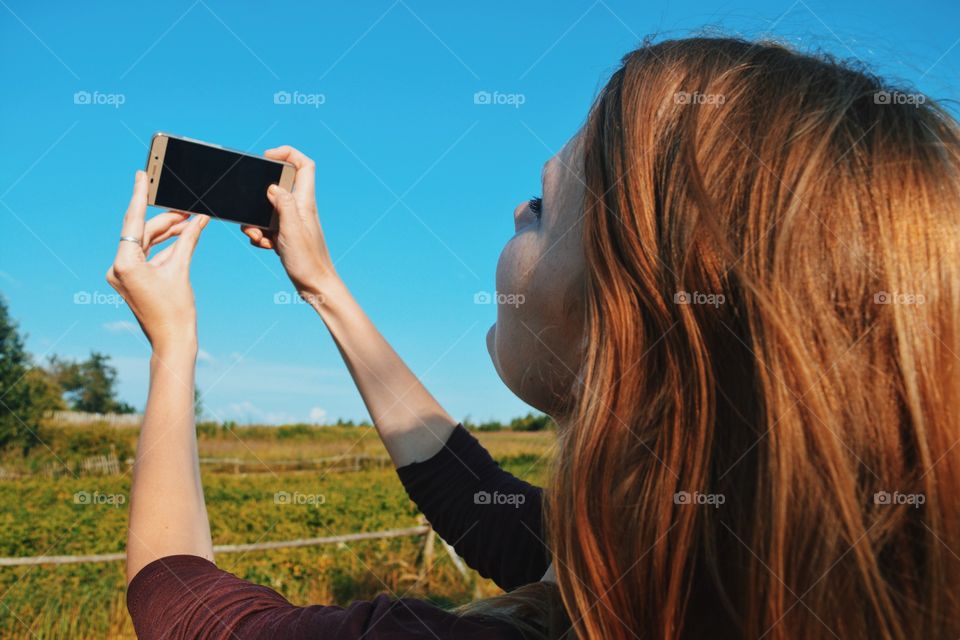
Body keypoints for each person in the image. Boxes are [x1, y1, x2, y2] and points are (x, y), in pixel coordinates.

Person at [107, 37, 960, 639]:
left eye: (547, 205)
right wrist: (321, 285)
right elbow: (476, 499)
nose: (520, 209)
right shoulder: (705, 565)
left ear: (627, 317)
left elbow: (175, 597)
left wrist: (173, 346)